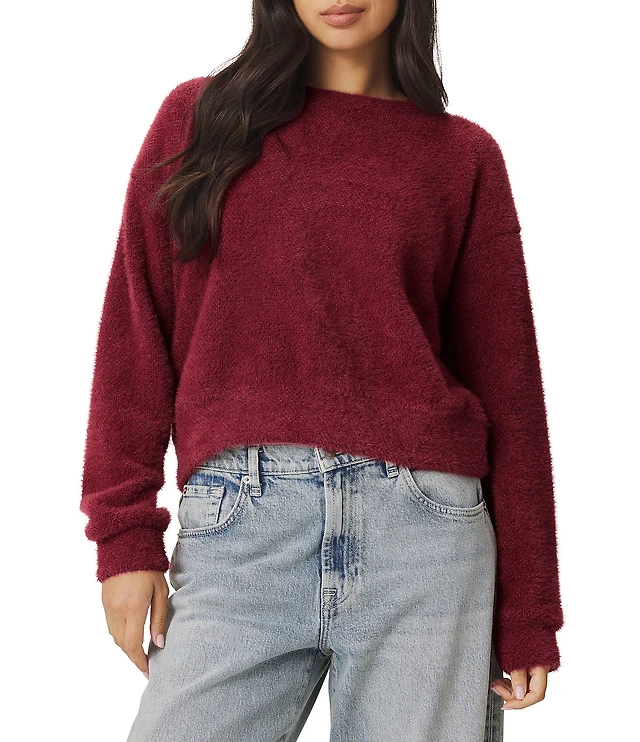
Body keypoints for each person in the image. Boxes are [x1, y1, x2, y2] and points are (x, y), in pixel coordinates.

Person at [80, 1, 564, 740]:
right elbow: (136, 331)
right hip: (243, 531)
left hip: (425, 538)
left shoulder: (462, 156)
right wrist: (123, 537)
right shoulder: (201, 120)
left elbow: (511, 389)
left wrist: (529, 610)